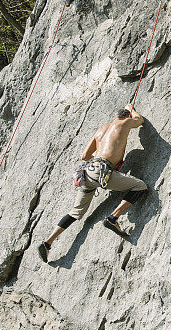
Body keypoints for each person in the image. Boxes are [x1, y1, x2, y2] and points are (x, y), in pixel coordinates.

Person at [38, 105, 148, 263]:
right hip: (102, 171)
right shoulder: (123, 123)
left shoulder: (102, 129)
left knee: (76, 212)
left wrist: (100, 154)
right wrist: (131, 108)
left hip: (87, 172)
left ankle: (47, 243)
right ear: (126, 117)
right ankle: (113, 218)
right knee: (140, 186)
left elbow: (84, 156)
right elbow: (139, 120)